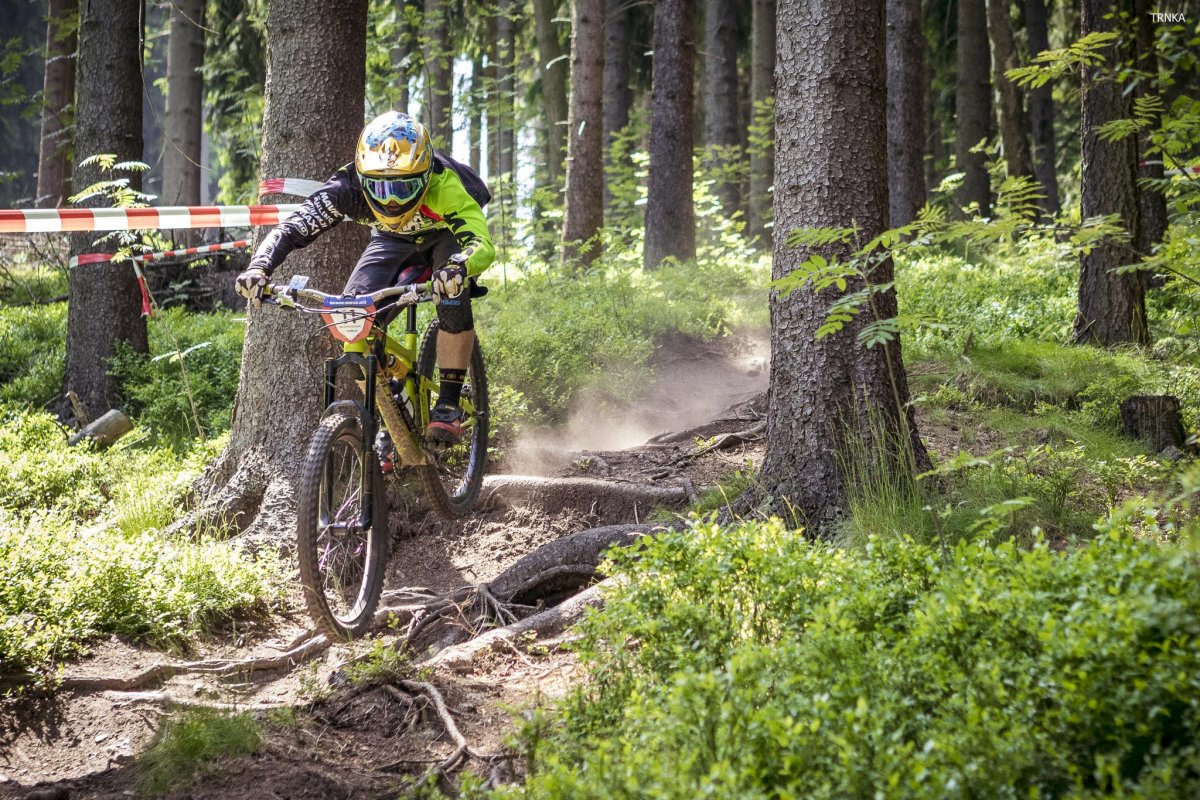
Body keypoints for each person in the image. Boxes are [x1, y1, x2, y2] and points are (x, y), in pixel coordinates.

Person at [235, 111, 494, 454]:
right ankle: (393, 413)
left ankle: (448, 402)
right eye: (380, 188)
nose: (391, 200)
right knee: (353, 317)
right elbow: (293, 226)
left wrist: (460, 266)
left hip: (446, 233)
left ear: (425, 176)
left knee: (451, 294)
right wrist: (259, 266)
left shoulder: (444, 185)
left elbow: (481, 243)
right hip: (391, 239)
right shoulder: (346, 188)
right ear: (362, 176)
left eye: (404, 187)